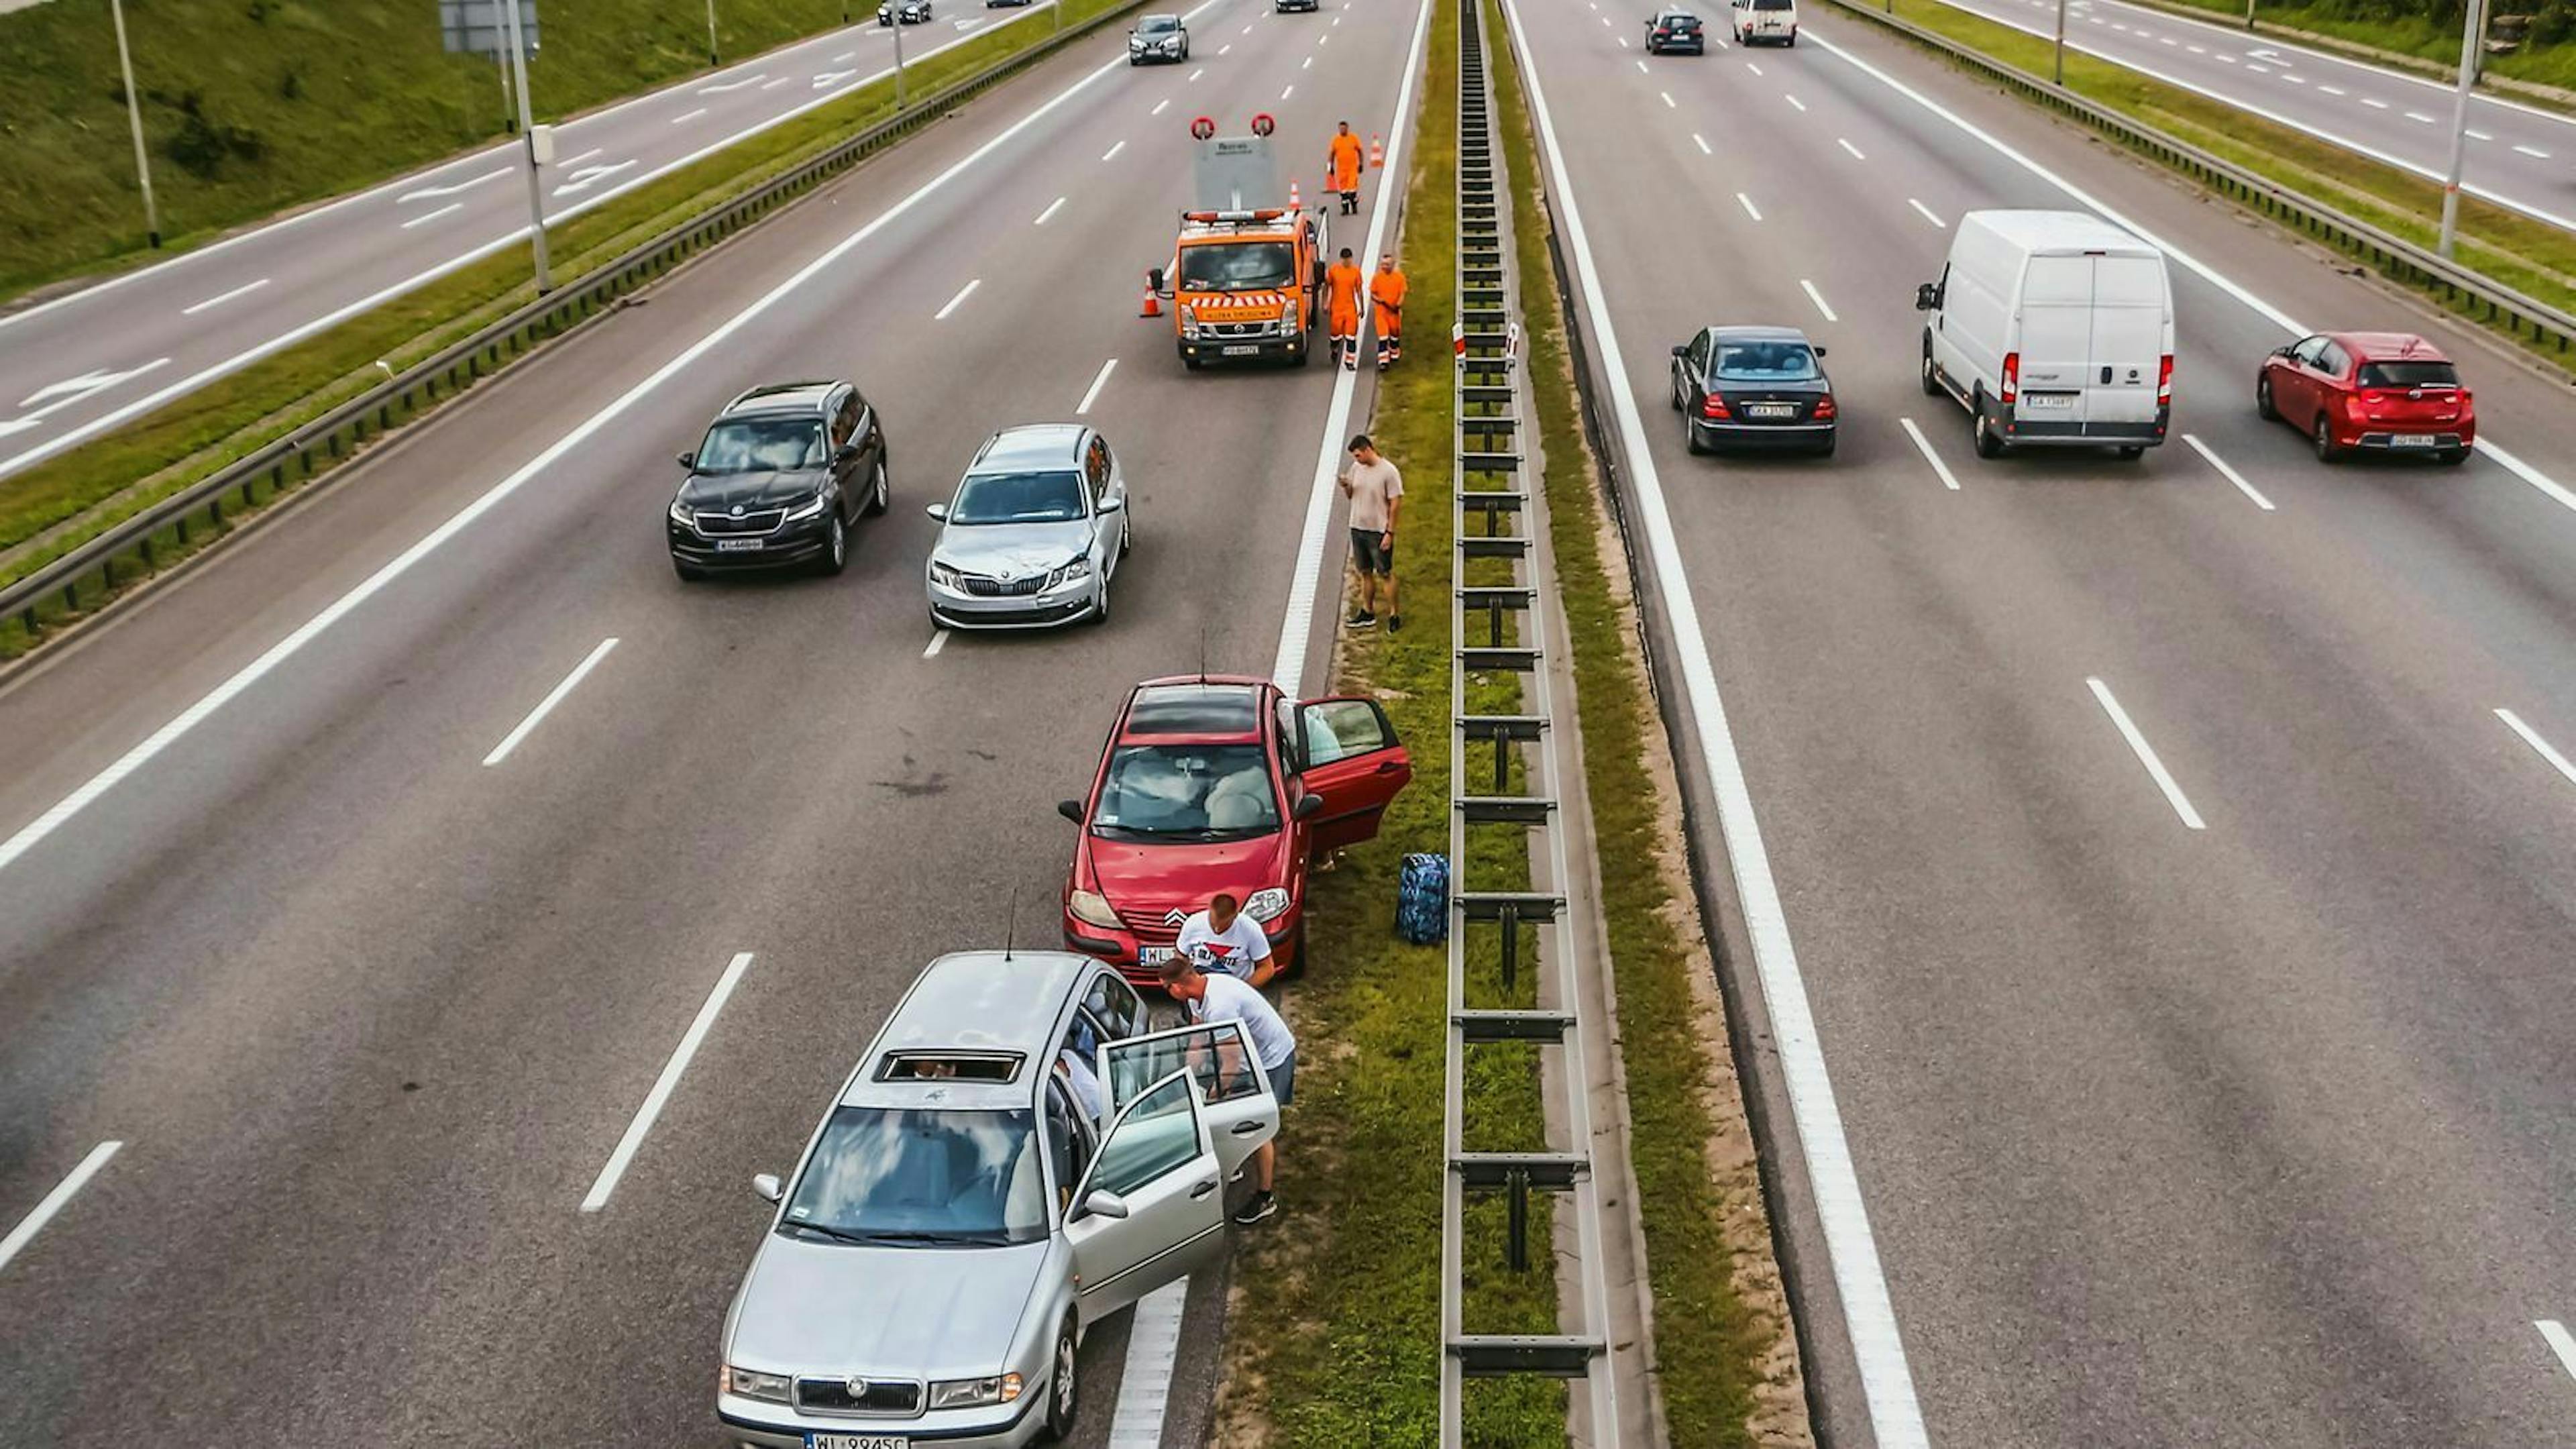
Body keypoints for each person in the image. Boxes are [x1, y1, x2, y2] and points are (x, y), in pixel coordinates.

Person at [1159, 956, 1297, 1224]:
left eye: (1167, 988)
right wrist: (1186, 1079)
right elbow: (1198, 1040)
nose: (1168, 993)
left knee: (1257, 1127)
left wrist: (1212, 1096)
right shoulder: (1198, 994)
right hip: (1246, 1057)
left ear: (1178, 986)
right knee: (1230, 1110)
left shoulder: (1220, 1007)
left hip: (1270, 1059)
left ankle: (1265, 1197)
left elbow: (1232, 1063)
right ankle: (1235, 1162)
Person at [1339, 434, 1403, 631]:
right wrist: (1346, 486)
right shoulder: (1357, 468)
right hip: (1358, 528)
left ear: (1368, 450)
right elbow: (1352, 494)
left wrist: (1389, 532)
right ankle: (1367, 611)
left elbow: (1395, 503)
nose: (1356, 460)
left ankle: (1394, 614)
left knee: (1385, 573)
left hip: (1378, 530)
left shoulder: (1388, 472)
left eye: (1358, 455)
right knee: (1365, 572)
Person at [1176, 890, 1279, 989]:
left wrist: (1245, 989)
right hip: (1202, 985)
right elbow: (1181, 955)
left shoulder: (1250, 929)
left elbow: (1267, 968)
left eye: (1224, 926)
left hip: (1236, 984)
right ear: (1210, 910)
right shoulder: (1193, 924)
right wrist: (1188, 980)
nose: (1217, 930)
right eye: (1213, 923)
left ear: (1235, 916)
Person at [1324, 248, 1366, 372]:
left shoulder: (1356, 272)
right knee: (1335, 335)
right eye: (1345, 260)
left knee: (1351, 336)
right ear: (1341, 259)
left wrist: (1362, 307)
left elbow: (1359, 290)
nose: (1347, 262)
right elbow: (1327, 286)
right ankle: (1334, 349)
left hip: (1350, 309)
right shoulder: (1334, 270)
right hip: (1337, 308)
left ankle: (1350, 361)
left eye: (1349, 259)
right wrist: (1325, 303)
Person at [1369, 252, 1407, 370]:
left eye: (1387, 264)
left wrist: (1398, 305)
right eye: (1383, 264)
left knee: (1394, 334)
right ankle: (1383, 361)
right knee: (1383, 336)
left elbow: (1402, 293)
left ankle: (1394, 353)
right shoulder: (1377, 278)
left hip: (1394, 313)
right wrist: (1379, 300)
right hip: (1381, 313)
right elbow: (1373, 294)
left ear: (1393, 265)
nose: (1384, 267)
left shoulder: (1399, 278)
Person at [1328, 121, 1366, 217]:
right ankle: (1345, 209)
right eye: (1341, 129)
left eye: (1344, 128)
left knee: (1352, 190)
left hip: (1352, 168)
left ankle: (1354, 207)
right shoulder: (1336, 140)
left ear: (1347, 128)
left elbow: (1360, 151)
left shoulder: (1353, 138)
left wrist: (1361, 164)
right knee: (1343, 191)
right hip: (1341, 170)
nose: (1343, 130)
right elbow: (1332, 155)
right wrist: (1330, 167)